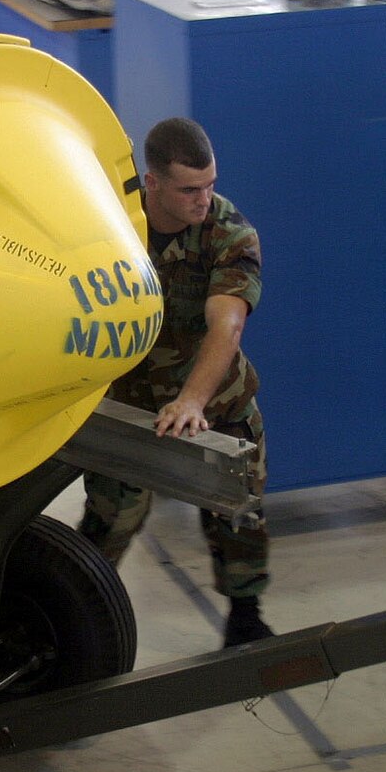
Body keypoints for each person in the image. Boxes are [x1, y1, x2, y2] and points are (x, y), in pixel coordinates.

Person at [79, 118, 273, 649]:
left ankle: (246, 615)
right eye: (190, 189)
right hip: (130, 400)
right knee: (111, 519)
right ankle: (77, 612)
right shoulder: (109, 223)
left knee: (238, 512)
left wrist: (192, 399)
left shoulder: (228, 233)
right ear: (153, 183)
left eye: (210, 185)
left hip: (215, 399)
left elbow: (227, 325)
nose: (204, 199)